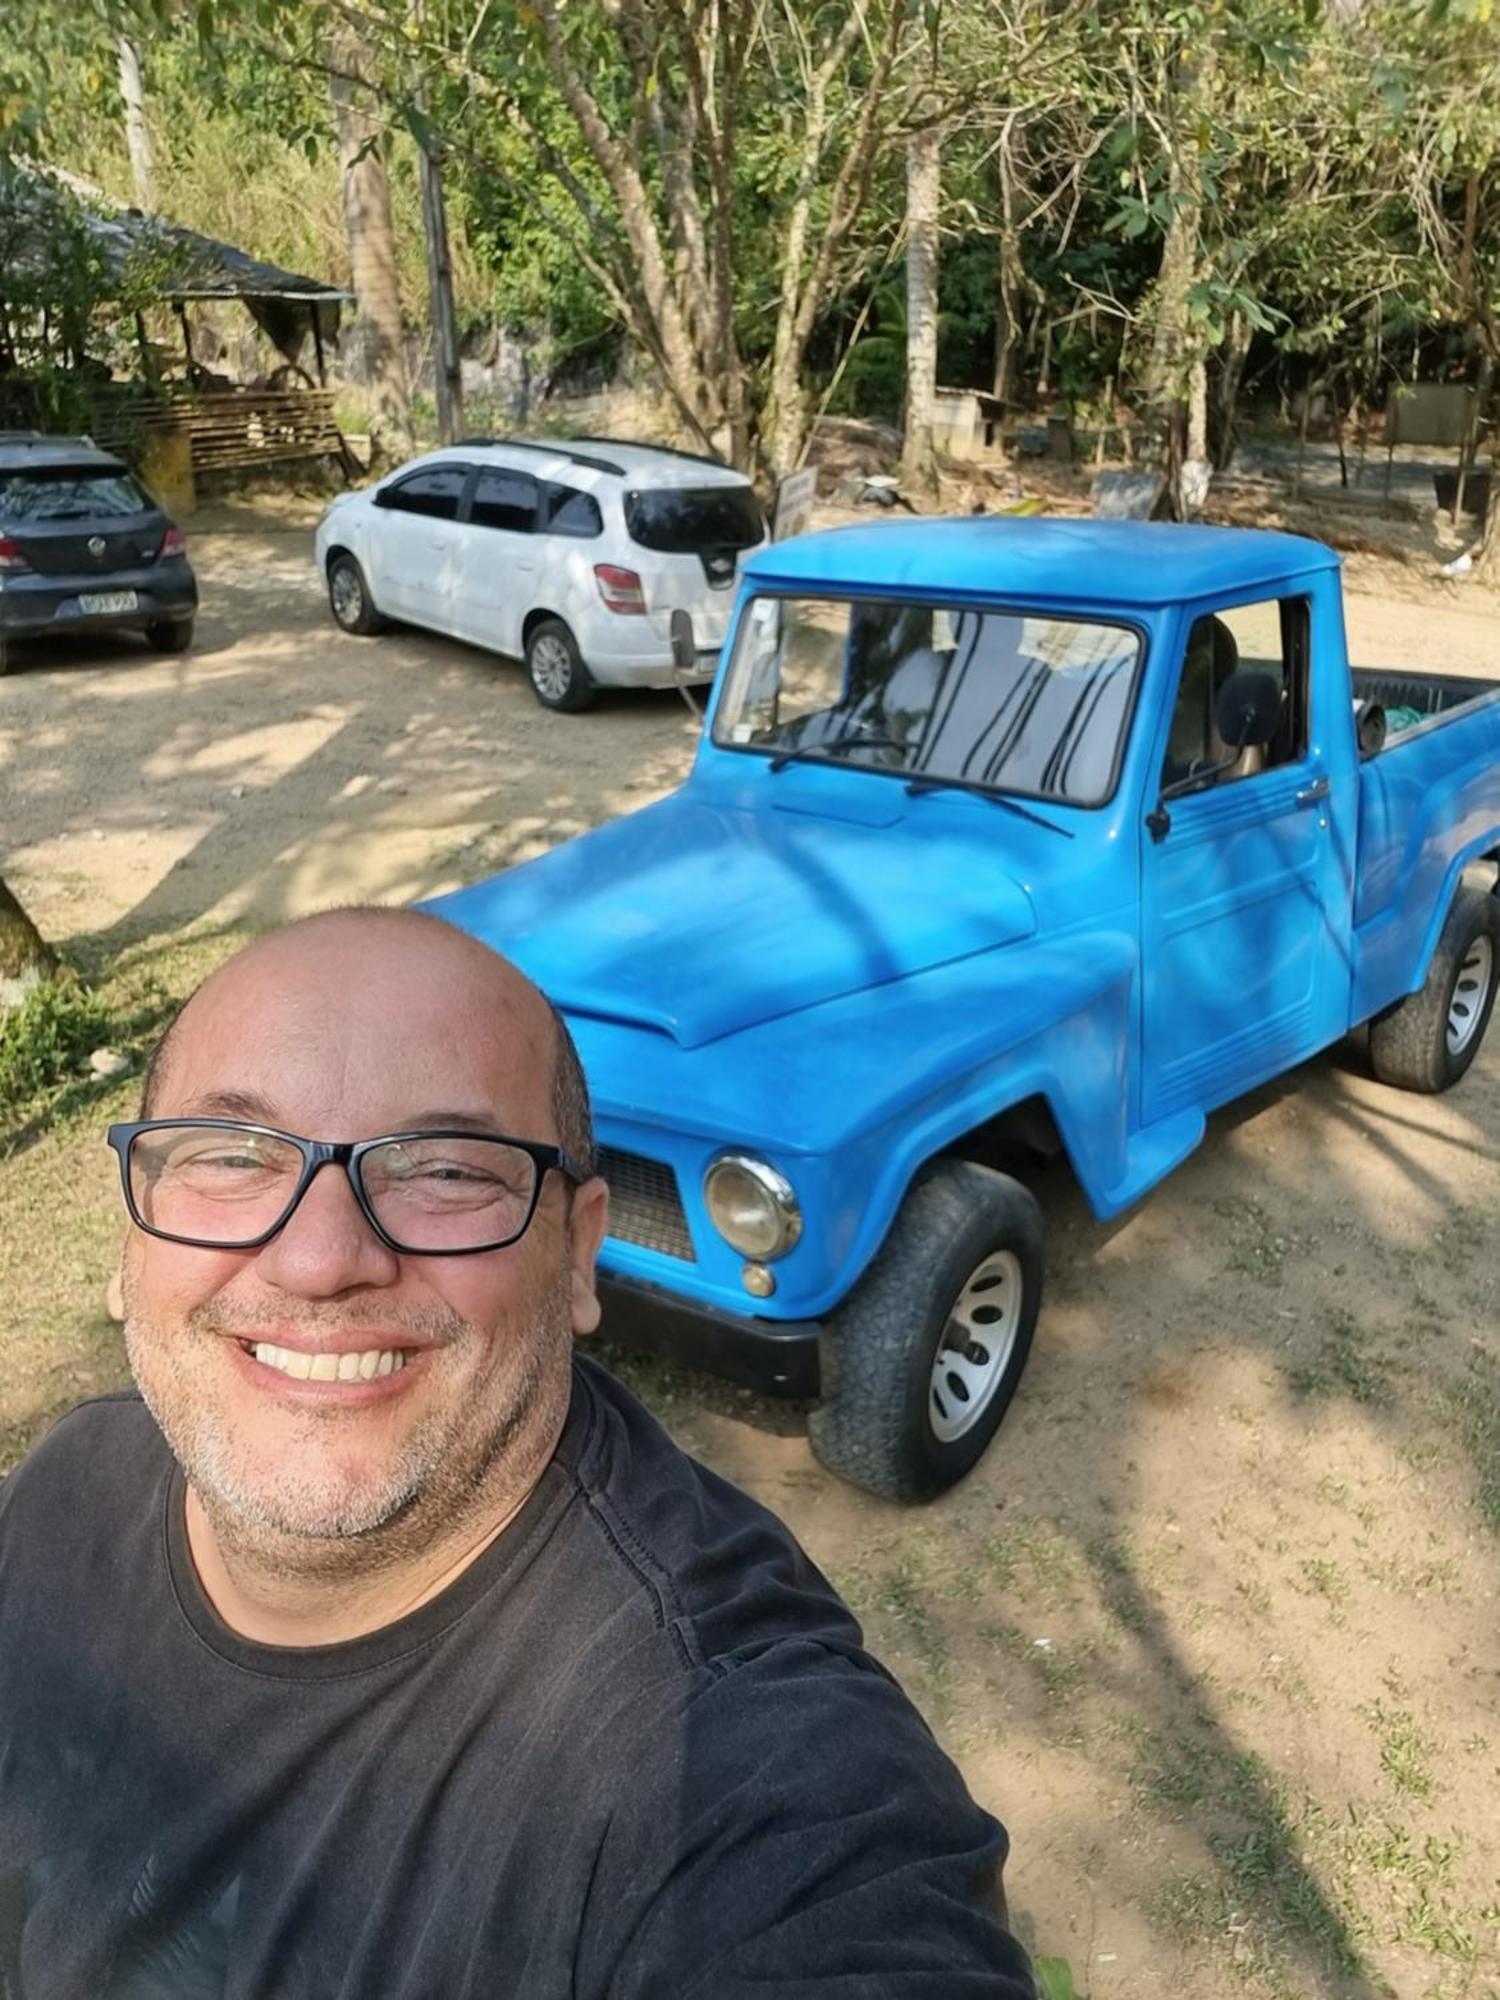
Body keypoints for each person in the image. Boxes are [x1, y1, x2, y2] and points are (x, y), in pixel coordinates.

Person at [0, 907, 1035, 1999]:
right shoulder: (66, 1488)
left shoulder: (721, 1757)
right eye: (229, 1152)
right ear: (134, 1233)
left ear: (580, 1254)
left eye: (445, 1169)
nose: (318, 1257)